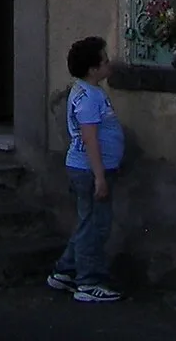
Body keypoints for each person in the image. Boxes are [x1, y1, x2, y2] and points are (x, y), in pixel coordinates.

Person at [48, 35, 125, 303]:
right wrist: (100, 176)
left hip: (87, 168)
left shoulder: (85, 91)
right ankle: (88, 282)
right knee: (96, 227)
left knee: (86, 222)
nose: (109, 65)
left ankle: (65, 271)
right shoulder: (89, 97)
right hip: (90, 170)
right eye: (104, 61)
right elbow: (89, 136)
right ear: (93, 69)